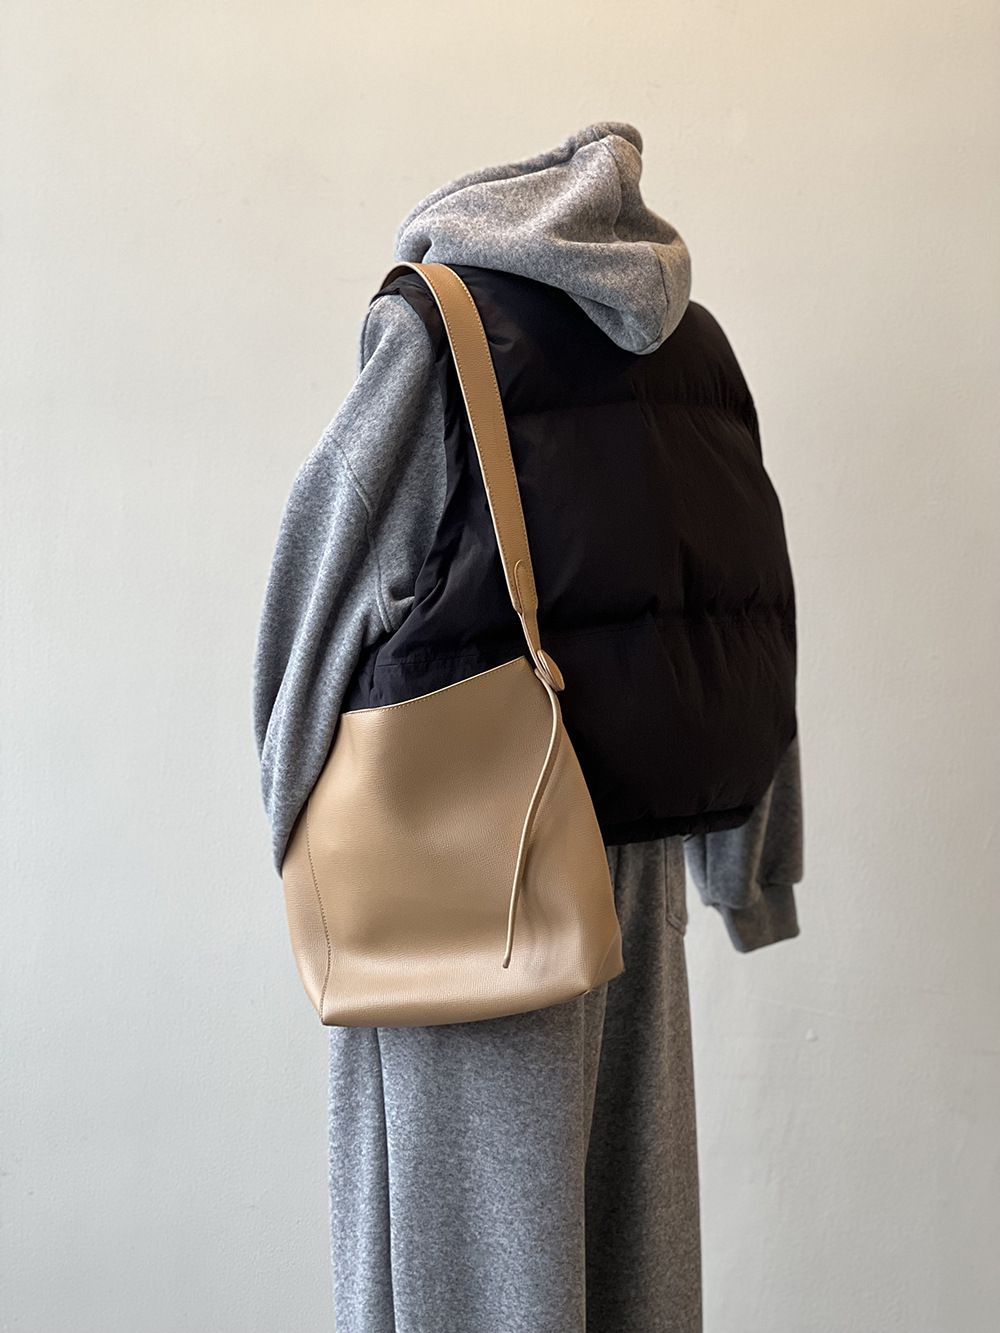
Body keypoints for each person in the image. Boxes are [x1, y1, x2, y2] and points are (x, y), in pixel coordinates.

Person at [253, 121, 803, 1333]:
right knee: (632, 1250)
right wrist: (751, 873)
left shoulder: (436, 327)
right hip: (638, 881)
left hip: (471, 874)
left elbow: (320, 588)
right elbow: (744, 607)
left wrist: (297, 837)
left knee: (469, 1279)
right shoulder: (692, 343)